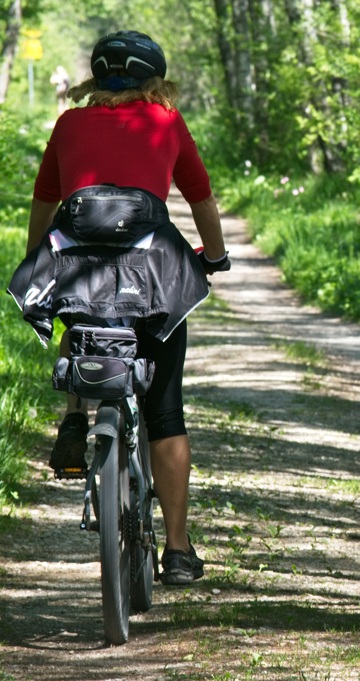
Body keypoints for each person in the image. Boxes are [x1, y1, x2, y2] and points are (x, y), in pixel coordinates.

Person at [22, 31, 230, 585]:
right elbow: (200, 197)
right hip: (152, 272)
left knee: (79, 313)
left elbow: (45, 202)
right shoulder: (165, 121)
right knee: (165, 411)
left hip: (78, 264)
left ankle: (73, 415)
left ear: (96, 78)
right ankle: (179, 550)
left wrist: (36, 260)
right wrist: (217, 257)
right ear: (153, 80)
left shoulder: (68, 124)